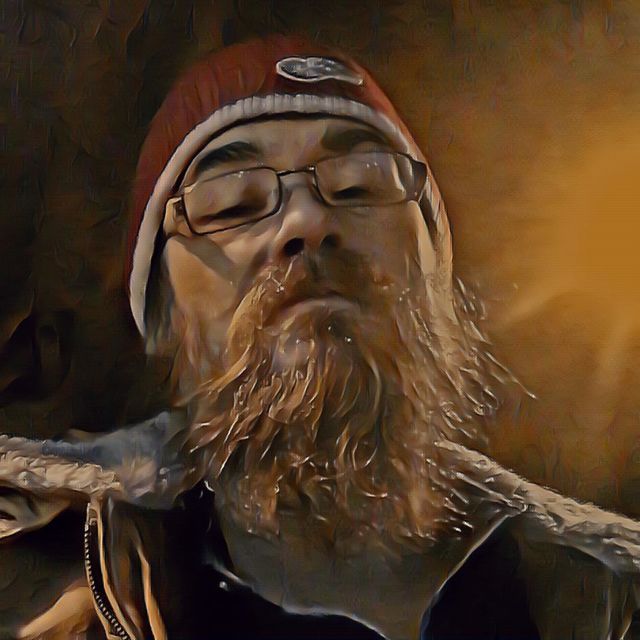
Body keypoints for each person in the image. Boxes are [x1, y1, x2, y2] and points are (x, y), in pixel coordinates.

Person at [1, 34, 640, 640]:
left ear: (437, 279)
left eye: (361, 182)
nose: (307, 219)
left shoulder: (612, 597)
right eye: (231, 202)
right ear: (162, 323)